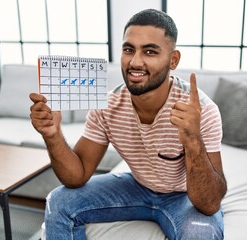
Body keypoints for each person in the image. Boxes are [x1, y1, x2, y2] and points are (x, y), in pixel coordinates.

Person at [29, 8, 227, 240]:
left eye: (150, 52)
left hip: (183, 196)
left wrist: (193, 140)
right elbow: (76, 176)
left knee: (201, 233)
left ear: (173, 60)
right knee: (59, 200)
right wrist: (52, 134)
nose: (135, 62)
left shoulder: (202, 110)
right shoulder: (107, 105)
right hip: (136, 186)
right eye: (128, 50)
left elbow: (210, 204)